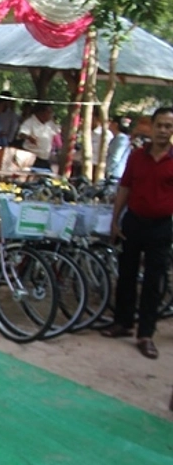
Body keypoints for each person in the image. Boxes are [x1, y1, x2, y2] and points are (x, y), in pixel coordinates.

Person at [100, 107, 173, 360]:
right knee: (127, 274)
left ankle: (146, 334)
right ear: (151, 127)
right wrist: (115, 218)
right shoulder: (137, 157)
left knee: (154, 281)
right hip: (134, 221)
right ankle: (123, 322)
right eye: (160, 125)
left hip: (162, 226)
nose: (164, 130)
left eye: (169, 126)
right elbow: (125, 187)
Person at [17, 103, 59, 169]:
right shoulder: (30, 122)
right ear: (41, 113)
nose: (51, 114)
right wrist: (29, 137)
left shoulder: (50, 123)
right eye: (49, 112)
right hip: (31, 157)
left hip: (45, 158)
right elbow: (21, 133)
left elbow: (58, 133)